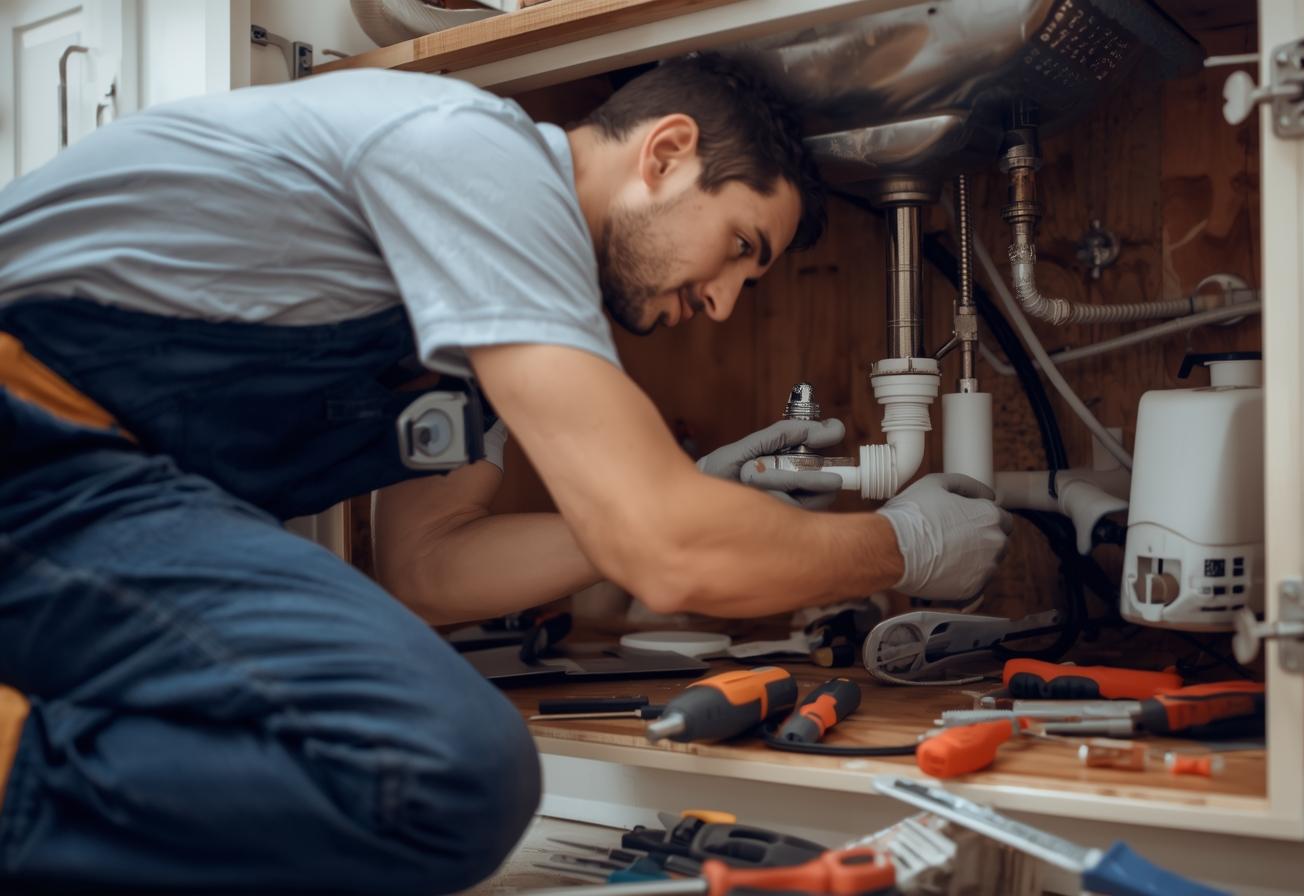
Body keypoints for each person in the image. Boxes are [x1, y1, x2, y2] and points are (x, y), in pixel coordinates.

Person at [0, 54, 1011, 892]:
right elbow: (664, 554)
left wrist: (682, 501)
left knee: (425, 770)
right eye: (737, 248)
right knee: (437, 770)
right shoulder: (474, 150)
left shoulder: (477, 328)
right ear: (666, 152)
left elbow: (432, 567)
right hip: (33, 439)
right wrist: (900, 546)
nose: (721, 303)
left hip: (82, 488)